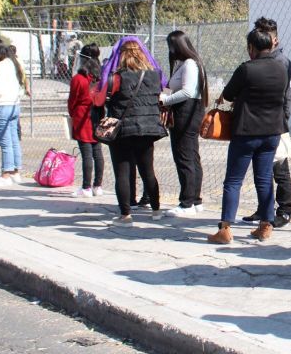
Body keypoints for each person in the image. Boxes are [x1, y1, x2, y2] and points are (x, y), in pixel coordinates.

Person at [208, 28, 288, 244]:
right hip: (272, 131)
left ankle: (225, 229)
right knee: (263, 179)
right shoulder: (281, 68)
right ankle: (265, 225)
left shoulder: (246, 69)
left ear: (251, 48)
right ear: (271, 45)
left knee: (233, 181)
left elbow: (228, 94)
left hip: (246, 131)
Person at [94, 37, 167, 225]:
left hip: (123, 130)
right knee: (148, 171)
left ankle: (125, 215)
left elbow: (99, 101)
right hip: (148, 128)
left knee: (123, 172)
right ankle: (157, 210)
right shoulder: (154, 75)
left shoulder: (117, 77)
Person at [239, 17, 291, 228]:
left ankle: (284, 210)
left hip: (275, 123)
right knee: (262, 172)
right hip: (258, 124)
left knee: (280, 169)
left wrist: (283, 121)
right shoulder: (256, 61)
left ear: (274, 41)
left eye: (265, 36)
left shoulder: (281, 62)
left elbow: (288, 94)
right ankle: (265, 209)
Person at [160, 31, 207, 216]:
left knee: (184, 157)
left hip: (186, 112)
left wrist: (165, 99)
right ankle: (195, 200)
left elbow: (187, 92)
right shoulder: (190, 63)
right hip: (191, 111)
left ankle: (187, 203)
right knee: (192, 156)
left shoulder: (189, 64)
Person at [0, 40, 26, 187]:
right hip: (14, 104)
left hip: (2, 105)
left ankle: (6, 174)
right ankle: (16, 171)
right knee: (13, 139)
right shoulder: (12, 62)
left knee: (5, 142)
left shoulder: (0, 65)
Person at [68, 44, 104, 198]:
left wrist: (72, 114)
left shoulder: (79, 78)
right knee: (97, 151)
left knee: (87, 154)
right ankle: (98, 185)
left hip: (82, 116)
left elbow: (72, 100)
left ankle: (86, 187)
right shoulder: (99, 77)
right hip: (98, 114)